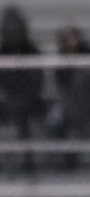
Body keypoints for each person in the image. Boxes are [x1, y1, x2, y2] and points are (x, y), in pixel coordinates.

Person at [0, 5, 45, 170]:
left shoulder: (33, 53)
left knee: (27, 115)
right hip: (3, 104)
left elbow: (37, 83)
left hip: (28, 102)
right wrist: (1, 97)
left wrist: (22, 100)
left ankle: (29, 161)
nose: (12, 33)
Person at [47, 26, 90, 167]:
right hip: (68, 103)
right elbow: (62, 88)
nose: (70, 42)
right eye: (66, 39)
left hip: (86, 102)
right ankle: (66, 159)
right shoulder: (61, 59)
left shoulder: (86, 56)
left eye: (72, 38)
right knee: (55, 119)